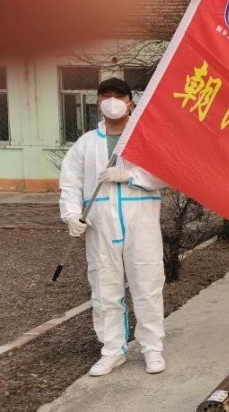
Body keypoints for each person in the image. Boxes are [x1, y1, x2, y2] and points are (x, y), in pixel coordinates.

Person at [59, 77, 168, 376]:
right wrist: (71, 214)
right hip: (101, 222)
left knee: (147, 285)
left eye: (118, 96)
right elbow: (70, 181)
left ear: (130, 101)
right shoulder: (86, 143)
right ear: (98, 102)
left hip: (140, 220)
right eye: (105, 95)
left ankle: (152, 349)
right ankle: (112, 350)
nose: (112, 101)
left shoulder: (143, 136)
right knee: (105, 288)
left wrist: (130, 177)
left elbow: (164, 174)